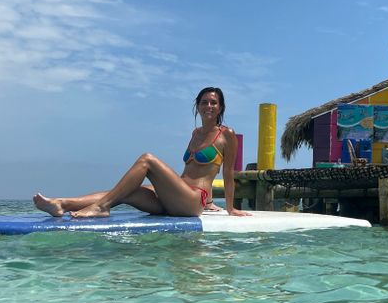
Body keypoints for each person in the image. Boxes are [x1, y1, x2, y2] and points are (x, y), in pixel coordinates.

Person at [32, 86, 250, 219]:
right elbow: (191, 170)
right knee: (126, 190)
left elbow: (227, 174)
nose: (208, 106)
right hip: (175, 197)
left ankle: (101, 207)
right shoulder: (195, 133)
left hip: (192, 201)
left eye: (214, 102)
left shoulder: (226, 134)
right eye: (204, 102)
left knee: (147, 160)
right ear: (197, 105)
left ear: (220, 108)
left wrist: (230, 209)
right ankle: (60, 204)